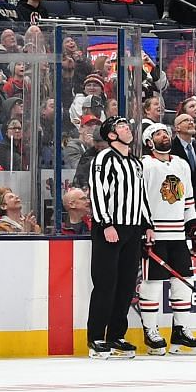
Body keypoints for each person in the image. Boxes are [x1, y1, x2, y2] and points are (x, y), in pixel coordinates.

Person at [135, 122, 196, 356]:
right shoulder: (145, 165)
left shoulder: (181, 163)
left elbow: (188, 200)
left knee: (185, 281)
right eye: (158, 133)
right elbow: (139, 200)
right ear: (148, 142)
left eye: (166, 132)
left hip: (177, 235)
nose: (164, 135)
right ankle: (151, 330)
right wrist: (144, 229)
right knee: (152, 283)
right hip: (155, 234)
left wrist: (194, 227)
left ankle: (181, 330)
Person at [85, 116, 148, 359]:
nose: (127, 129)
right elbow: (98, 192)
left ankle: (116, 335)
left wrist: (147, 224)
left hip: (132, 229)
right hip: (110, 229)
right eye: (121, 126)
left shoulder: (135, 163)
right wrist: (106, 223)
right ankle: (96, 338)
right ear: (111, 135)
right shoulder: (104, 158)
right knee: (105, 284)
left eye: (127, 125)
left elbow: (140, 195)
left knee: (125, 285)